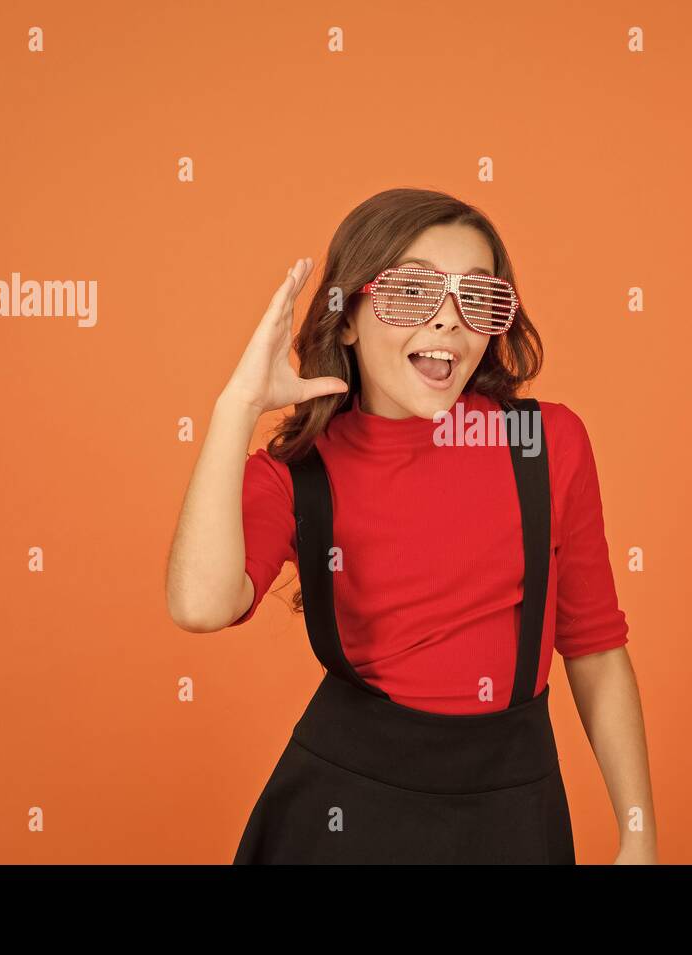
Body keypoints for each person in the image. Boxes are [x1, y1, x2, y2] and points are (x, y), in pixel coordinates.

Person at [166, 188, 657, 863]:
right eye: (411, 294)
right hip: (342, 817)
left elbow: (596, 648)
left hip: (512, 813)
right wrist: (236, 405)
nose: (446, 322)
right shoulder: (300, 473)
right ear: (346, 319)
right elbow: (198, 603)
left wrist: (638, 832)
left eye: (476, 298)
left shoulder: (545, 444)